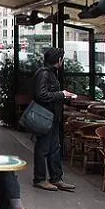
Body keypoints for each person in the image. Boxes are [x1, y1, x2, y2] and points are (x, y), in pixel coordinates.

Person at [31, 48, 76, 192]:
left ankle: (56, 178)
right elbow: (41, 94)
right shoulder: (44, 73)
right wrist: (61, 94)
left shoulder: (50, 72)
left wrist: (62, 95)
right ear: (58, 60)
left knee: (54, 148)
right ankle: (40, 179)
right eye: (62, 58)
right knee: (43, 148)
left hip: (52, 117)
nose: (63, 61)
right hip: (46, 116)